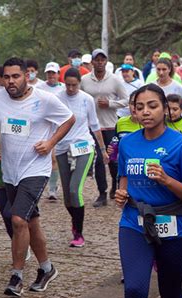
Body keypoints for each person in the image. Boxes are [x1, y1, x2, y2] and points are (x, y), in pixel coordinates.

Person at [0, 57, 75, 297]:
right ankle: (47, 268)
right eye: (7, 77)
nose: (11, 81)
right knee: (31, 222)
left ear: (26, 76)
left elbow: (69, 119)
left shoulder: (43, 99)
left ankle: (16, 277)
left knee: (18, 219)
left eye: (16, 76)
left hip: (35, 169)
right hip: (10, 172)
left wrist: (51, 142)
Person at [114, 83, 182, 298]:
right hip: (134, 222)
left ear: (164, 108)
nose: (145, 111)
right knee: (134, 289)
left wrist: (167, 180)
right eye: (140, 107)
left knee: (170, 293)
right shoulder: (127, 143)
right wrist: (122, 192)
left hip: (175, 225)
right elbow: (124, 175)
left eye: (152, 106)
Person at [55, 68, 109, 247]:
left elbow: (94, 125)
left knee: (74, 190)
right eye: (68, 85)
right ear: (63, 83)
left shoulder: (86, 99)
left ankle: (79, 233)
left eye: (74, 85)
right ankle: (75, 220)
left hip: (83, 146)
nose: (71, 88)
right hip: (63, 147)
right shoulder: (57, 98)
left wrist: (102, 149)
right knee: (67, 197)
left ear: (79, 83)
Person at [81, 48, 129, 206]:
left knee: (113, 159)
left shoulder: (114, 80)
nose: (100, 62)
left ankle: (115, 187)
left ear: (106, 61)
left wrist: (110, 103)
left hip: (110, 125)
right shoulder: (85, 80)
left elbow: (126, 100)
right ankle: (102, 193)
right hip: (92, 127)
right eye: (97, 60)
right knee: (98, 161)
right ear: (92, 62)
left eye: (103, 60)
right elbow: (78, 98)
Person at [36, 62, 65, 200]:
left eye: (53, 73)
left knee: (56, 159)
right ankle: (46, 187)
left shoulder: (64, 89)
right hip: (43, 126)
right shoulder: (39, 87)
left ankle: (53, 187)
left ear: (58, 74)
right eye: (49, 73)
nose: (51, 76)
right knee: (47, 157)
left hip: (59, 127)